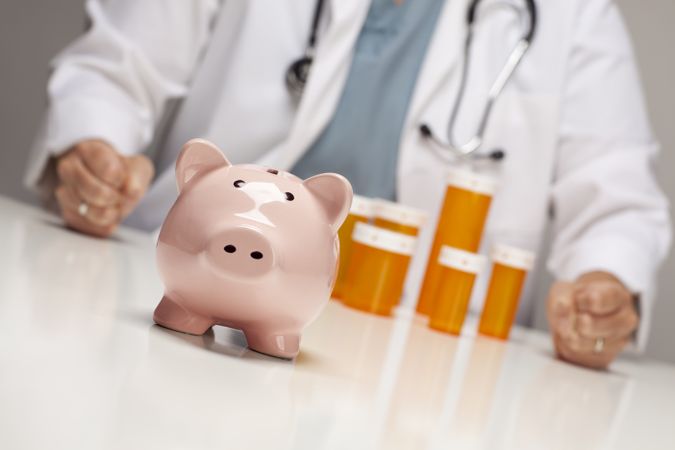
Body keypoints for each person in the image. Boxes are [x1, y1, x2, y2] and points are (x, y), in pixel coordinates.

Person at [25, 0, 671, 370]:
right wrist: (93, 156)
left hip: (417, 363)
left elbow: (617, 198)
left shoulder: (574, 16)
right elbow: (110, 72)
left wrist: (602, 287)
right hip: (181, 303)